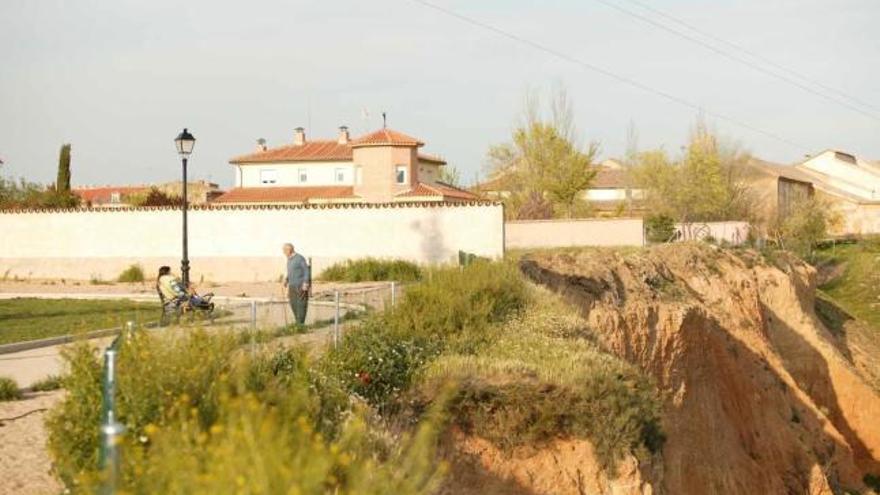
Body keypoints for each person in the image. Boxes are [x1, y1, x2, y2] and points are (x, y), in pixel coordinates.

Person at [282, 243, 310, 325]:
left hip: (300, 286)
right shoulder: (289, 260)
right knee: (293, 304)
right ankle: (298, 323)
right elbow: (290, 272)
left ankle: (300, 324)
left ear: (289, 250)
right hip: (292, 286)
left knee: (301, 305)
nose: (284, 253)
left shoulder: (300, 258)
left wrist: (305, 283)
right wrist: (286, 279)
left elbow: (306, 271)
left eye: (284, 251)